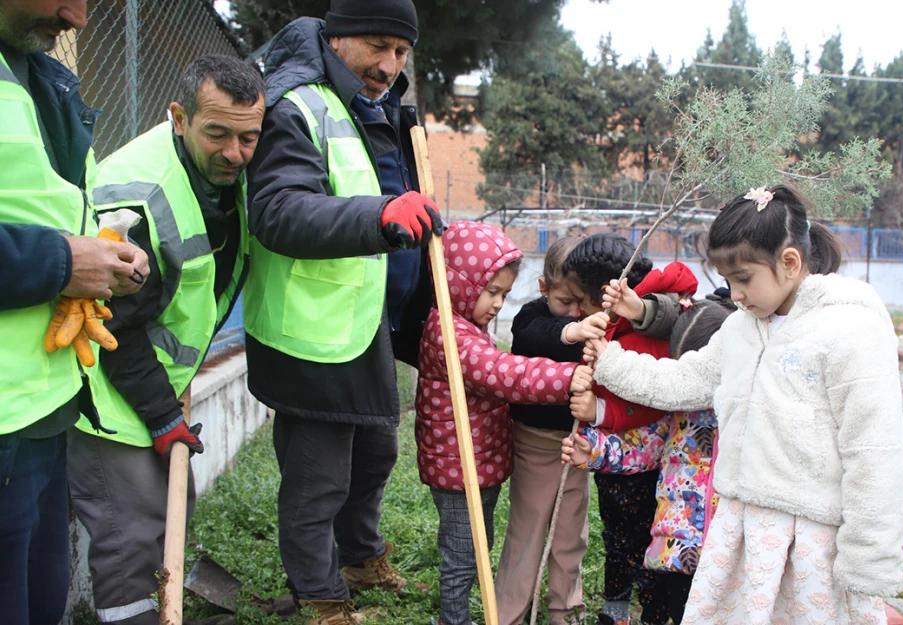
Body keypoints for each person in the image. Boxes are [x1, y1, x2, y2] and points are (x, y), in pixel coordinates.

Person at [583, 185, 903, 624]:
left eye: (744, 279)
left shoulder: (850, 329)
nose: (735, 294)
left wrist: (868, 559)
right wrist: (610, 361)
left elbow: (873, 451)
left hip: (813, 542)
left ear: (789, 262)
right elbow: (684, 380)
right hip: (740, 530)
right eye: (728, 281)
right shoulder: (742, 327)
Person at [244, 0, 443, 621]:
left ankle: (359, 558)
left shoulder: (376, 106)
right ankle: (321, 597)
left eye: (401, 51)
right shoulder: (293, 105)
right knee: (318, 476)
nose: (389, 64)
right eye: (378, 46)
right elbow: (277, 210)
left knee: (377, 452)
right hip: (312, 330)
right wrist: (379, 217)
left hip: (365, 322)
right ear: (338, 37)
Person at [64, 55, 265, 625]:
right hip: (103, 397)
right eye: (217, 134)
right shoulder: (137, 204)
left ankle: (172, 604)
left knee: (169, 509)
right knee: (127, 537)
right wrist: (159, 416)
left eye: (248, 137)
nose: (234, 153)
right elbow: (113, 330)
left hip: (150, 384)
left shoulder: (226, 173)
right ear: (179, 117)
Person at [0, 1, 148, 623]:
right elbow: (53, 245)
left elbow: (52, 209)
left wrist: (107, 256)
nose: (78, 17)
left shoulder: (39, 74)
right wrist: (61, 264)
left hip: (41, 403)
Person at [415, 221, 592, 625]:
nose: (497, 303)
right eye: (491, 292)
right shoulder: (449, 334)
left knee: (478, 545)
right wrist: (566, 379)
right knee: (463, 554)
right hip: (458, 467)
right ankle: (454, 620)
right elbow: (503, 373)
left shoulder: (465, 326)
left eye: (504, 294)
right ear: (458, 283)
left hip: (476, 463)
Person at [562, 299, 733, 625]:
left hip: (726, 554)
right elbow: (643, 446)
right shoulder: (676, 410)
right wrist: (594, 451)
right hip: (677, 551)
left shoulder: (743, 416)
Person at [561, 234, 698, 625]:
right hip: (611, 457)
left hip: (645, 460)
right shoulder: (615, 327)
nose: (575, 312)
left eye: (580, 302)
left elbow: (649, 400)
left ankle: (646, 612)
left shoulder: (643, 335)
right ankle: (617, 608)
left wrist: (600, 409)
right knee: (618, 535)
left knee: (643, 539)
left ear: (605, 294)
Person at [494, 235, 597, 625]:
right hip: (535, 443)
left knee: (570, 535)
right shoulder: (532, 317)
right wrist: (571, 333)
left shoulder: (597, 323)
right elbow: (532, 337)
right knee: (528, 531)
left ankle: (564, 610)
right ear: (544, 288)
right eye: (564, 302)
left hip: (578, 446)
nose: (573, 313)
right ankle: (509, 614)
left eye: (582, 303)